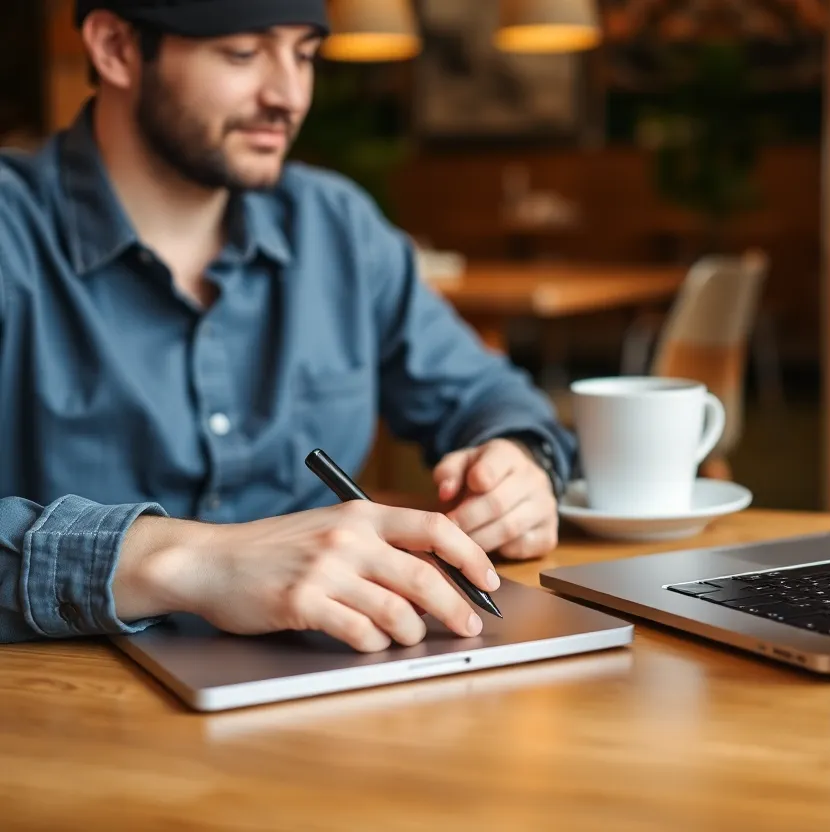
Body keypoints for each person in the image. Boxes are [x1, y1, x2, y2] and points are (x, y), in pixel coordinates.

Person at [0, 0, 577, 651]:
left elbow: (489, 395)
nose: (288, 95)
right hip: (62, 720)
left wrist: (518, 464)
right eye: (243, 53)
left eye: (303, 54)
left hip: (342, 685)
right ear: (116, 48)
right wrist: (189, 563)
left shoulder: (337, 229)